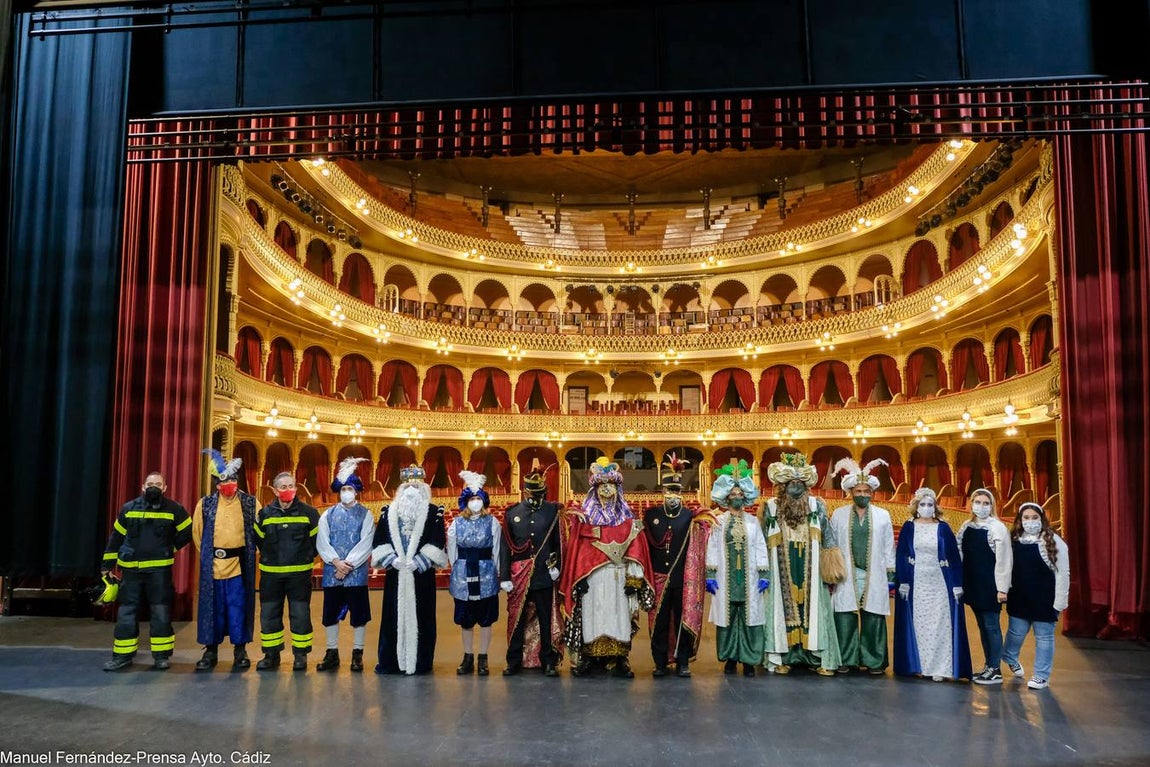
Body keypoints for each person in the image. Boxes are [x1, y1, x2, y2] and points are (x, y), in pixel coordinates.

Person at [559, 456, 654, 678]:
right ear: (595, 489)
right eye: (603, 486)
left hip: (618, 577)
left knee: (618, 616)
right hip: (592, 580)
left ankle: (620, 658)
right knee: (593, 615)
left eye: (611, 486)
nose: (607, 491)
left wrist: (634, 580)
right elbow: (578, 553)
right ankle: (590, 658)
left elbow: (636, 551)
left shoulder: (627, 520)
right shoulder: (585, 521)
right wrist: (578, 579)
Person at [761, 452, 844, 675]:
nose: (795, 487)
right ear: (782, 485)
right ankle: (783, 656)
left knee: (813, 609)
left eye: (800, 483)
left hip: (812, 567)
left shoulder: (817, 506)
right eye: (791, 483)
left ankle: (815, 657)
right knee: (783, 609)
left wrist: (832, 570)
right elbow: (762, 541)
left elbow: (829, 536)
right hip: (782, 569)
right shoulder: (770, 508)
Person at [101, 472, 192, 671]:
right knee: (127, 612)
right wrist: (107, 566)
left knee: (160, 612)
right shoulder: (129, 509)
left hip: (159, 571)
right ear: (143, 486)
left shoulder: (174, 509)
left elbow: (187, 532)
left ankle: (161, 656)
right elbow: (115, 538)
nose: (154, 487)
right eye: (150, 483)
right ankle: (122, 656)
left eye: (158, 484)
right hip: (131, 571)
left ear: (165, 488)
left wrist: (170, 548)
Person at [370, 464, 448, 675]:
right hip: (396, 575)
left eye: (416, 485)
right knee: (391, 618)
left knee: (423, 618)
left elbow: (438, 541)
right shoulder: (388, 512)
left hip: (421, 576)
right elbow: (380, 541)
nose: (411, 490)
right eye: (407, 486)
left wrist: (422, 561)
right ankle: (390, 661)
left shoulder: (435, 513)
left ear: (423, 488)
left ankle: (421, 661)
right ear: (401, 489)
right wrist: (391, 559)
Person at [893, 487, 973, 681]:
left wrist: (956, 584)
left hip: (939, 582)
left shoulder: (943, 527)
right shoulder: (909, 526)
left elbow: (954, 557)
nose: (927, 508)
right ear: (916, 507)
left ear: (935, 507)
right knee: (919, 625)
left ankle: (940, 668)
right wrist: (903, 581)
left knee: (940, 624)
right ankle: (920, 665)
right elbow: (902, 555)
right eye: (923, 504)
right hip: (916, 581)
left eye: (930, 504)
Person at [646, 453, 713, 678]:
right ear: (662, 492)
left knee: (683, 621)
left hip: (682, 579)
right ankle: (660, 662)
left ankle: (683, 661)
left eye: (676, 491)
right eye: (668, 491)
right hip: (658, 578)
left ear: (681, 493)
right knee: (659, 623)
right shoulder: (651, 515)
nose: (672, 495)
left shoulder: (689, 516)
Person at [192, 449, 258, 672]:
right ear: (216, 483)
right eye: (223, 481)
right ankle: (211, 651)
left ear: (236, 480)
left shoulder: (250, 503)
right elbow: (198, 535)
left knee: (238, 608)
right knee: (213, 609)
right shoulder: (205, 504)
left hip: (240, 566)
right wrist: (213, 556)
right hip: (213, 566)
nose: (227, 484)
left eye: (231, 479)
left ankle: (240, 651)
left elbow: (258, 533)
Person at [829, 458, 896, 675]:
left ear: (872, 492)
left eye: (866, 491)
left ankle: (874, 660)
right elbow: (831, 545)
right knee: (844, 617)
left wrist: (891, 575)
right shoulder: (838, 515)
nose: (862, 494)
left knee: (873, 617)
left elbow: (888, 547)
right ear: (850, 491)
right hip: (846, 574)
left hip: (873, 574)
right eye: (858, 490)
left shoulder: (882, 515)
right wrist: (831, 573)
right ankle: (845, 659)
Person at [705, 459, 767, 677]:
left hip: (749, 579)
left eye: (741, 495)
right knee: (728, 620)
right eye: (733, 494)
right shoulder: (718, 521)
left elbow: (760, 546)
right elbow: (712, 547)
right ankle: (730, 658)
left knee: (750, 619)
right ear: (726, 497)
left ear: (746, 497)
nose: (737, 497)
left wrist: (763, 573)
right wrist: (711, 574)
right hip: (726, 578)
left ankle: (749, 660)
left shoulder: (752, 522)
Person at [499, 468, 563, 677]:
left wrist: (557, 567)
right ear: (525, 492)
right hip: (519, 576)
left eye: (539, 493)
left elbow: (557, 543)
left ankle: (548, 660)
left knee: (546, 618)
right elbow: (505, 547)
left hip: (544, 573)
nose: (536, 497)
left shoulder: (552, 511)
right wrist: (505, 577)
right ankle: (514, 660)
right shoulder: (512, 513)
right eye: (532, 493)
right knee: (516, 620)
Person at [315, 457, 377, 673]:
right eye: (343, 488)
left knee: (358, 616)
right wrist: (336, 563)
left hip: (356, 574)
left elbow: (366, 542)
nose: (346, 492)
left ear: (356, 490)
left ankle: (357, 654)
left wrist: (347, 565)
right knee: (330, 614)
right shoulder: (327, 515)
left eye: (349, 488)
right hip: (333, 572)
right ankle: (332, 653)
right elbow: (322, 541)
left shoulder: (366, 514)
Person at [255, 472, 320, 671]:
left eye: (291, 486)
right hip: (270, 576)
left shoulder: (310, 513)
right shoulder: (264, 514)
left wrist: (306, 558)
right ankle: (271, 655)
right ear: (274, 490)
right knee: (269, 615)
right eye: (283, 487)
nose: (287, 490)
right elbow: (258, 540)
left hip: (299, 576)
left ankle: (300, 656)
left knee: (300, 615)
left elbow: (316, 543)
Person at [1001, 502, 1070, 690]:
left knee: (1044, 638)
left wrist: (1060, 602)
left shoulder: (1054, 541)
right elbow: (1004, 566)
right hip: (1020, 596)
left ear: (1042, 519)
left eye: (1034, 518)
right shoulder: (1014, 539)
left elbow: (1063, 573)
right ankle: (1010, 657)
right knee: (1015, 633)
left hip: (1045, 599)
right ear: (1020, 520)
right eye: (1026, 518)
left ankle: (1041, 675)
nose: (1030, 521)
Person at [447, 471, 503, 676]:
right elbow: (452, 549)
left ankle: (483, 658)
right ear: (466, 501)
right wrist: (457, 568)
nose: (475, 502)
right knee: (466, 619)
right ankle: (468, 656)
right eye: (472, 499)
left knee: (486, 618)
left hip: (486, 573)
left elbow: (496, 549)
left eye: (478, 498)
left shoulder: (493, 522)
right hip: (463, 574)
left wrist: (498, 573)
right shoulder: (456, 523)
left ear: (484, 501)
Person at [958, 488, 1013, 685]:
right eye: (977, 502)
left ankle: (995, 669)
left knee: (992, 626)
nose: (981, 506)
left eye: (985, 503)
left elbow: (1004, 560)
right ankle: (988, 665)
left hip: (990, 585)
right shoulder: (966, 526)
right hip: (972, 583)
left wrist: (1002, 588)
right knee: (982, 626)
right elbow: (960, 553)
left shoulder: (997, 528)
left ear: (992, 506)